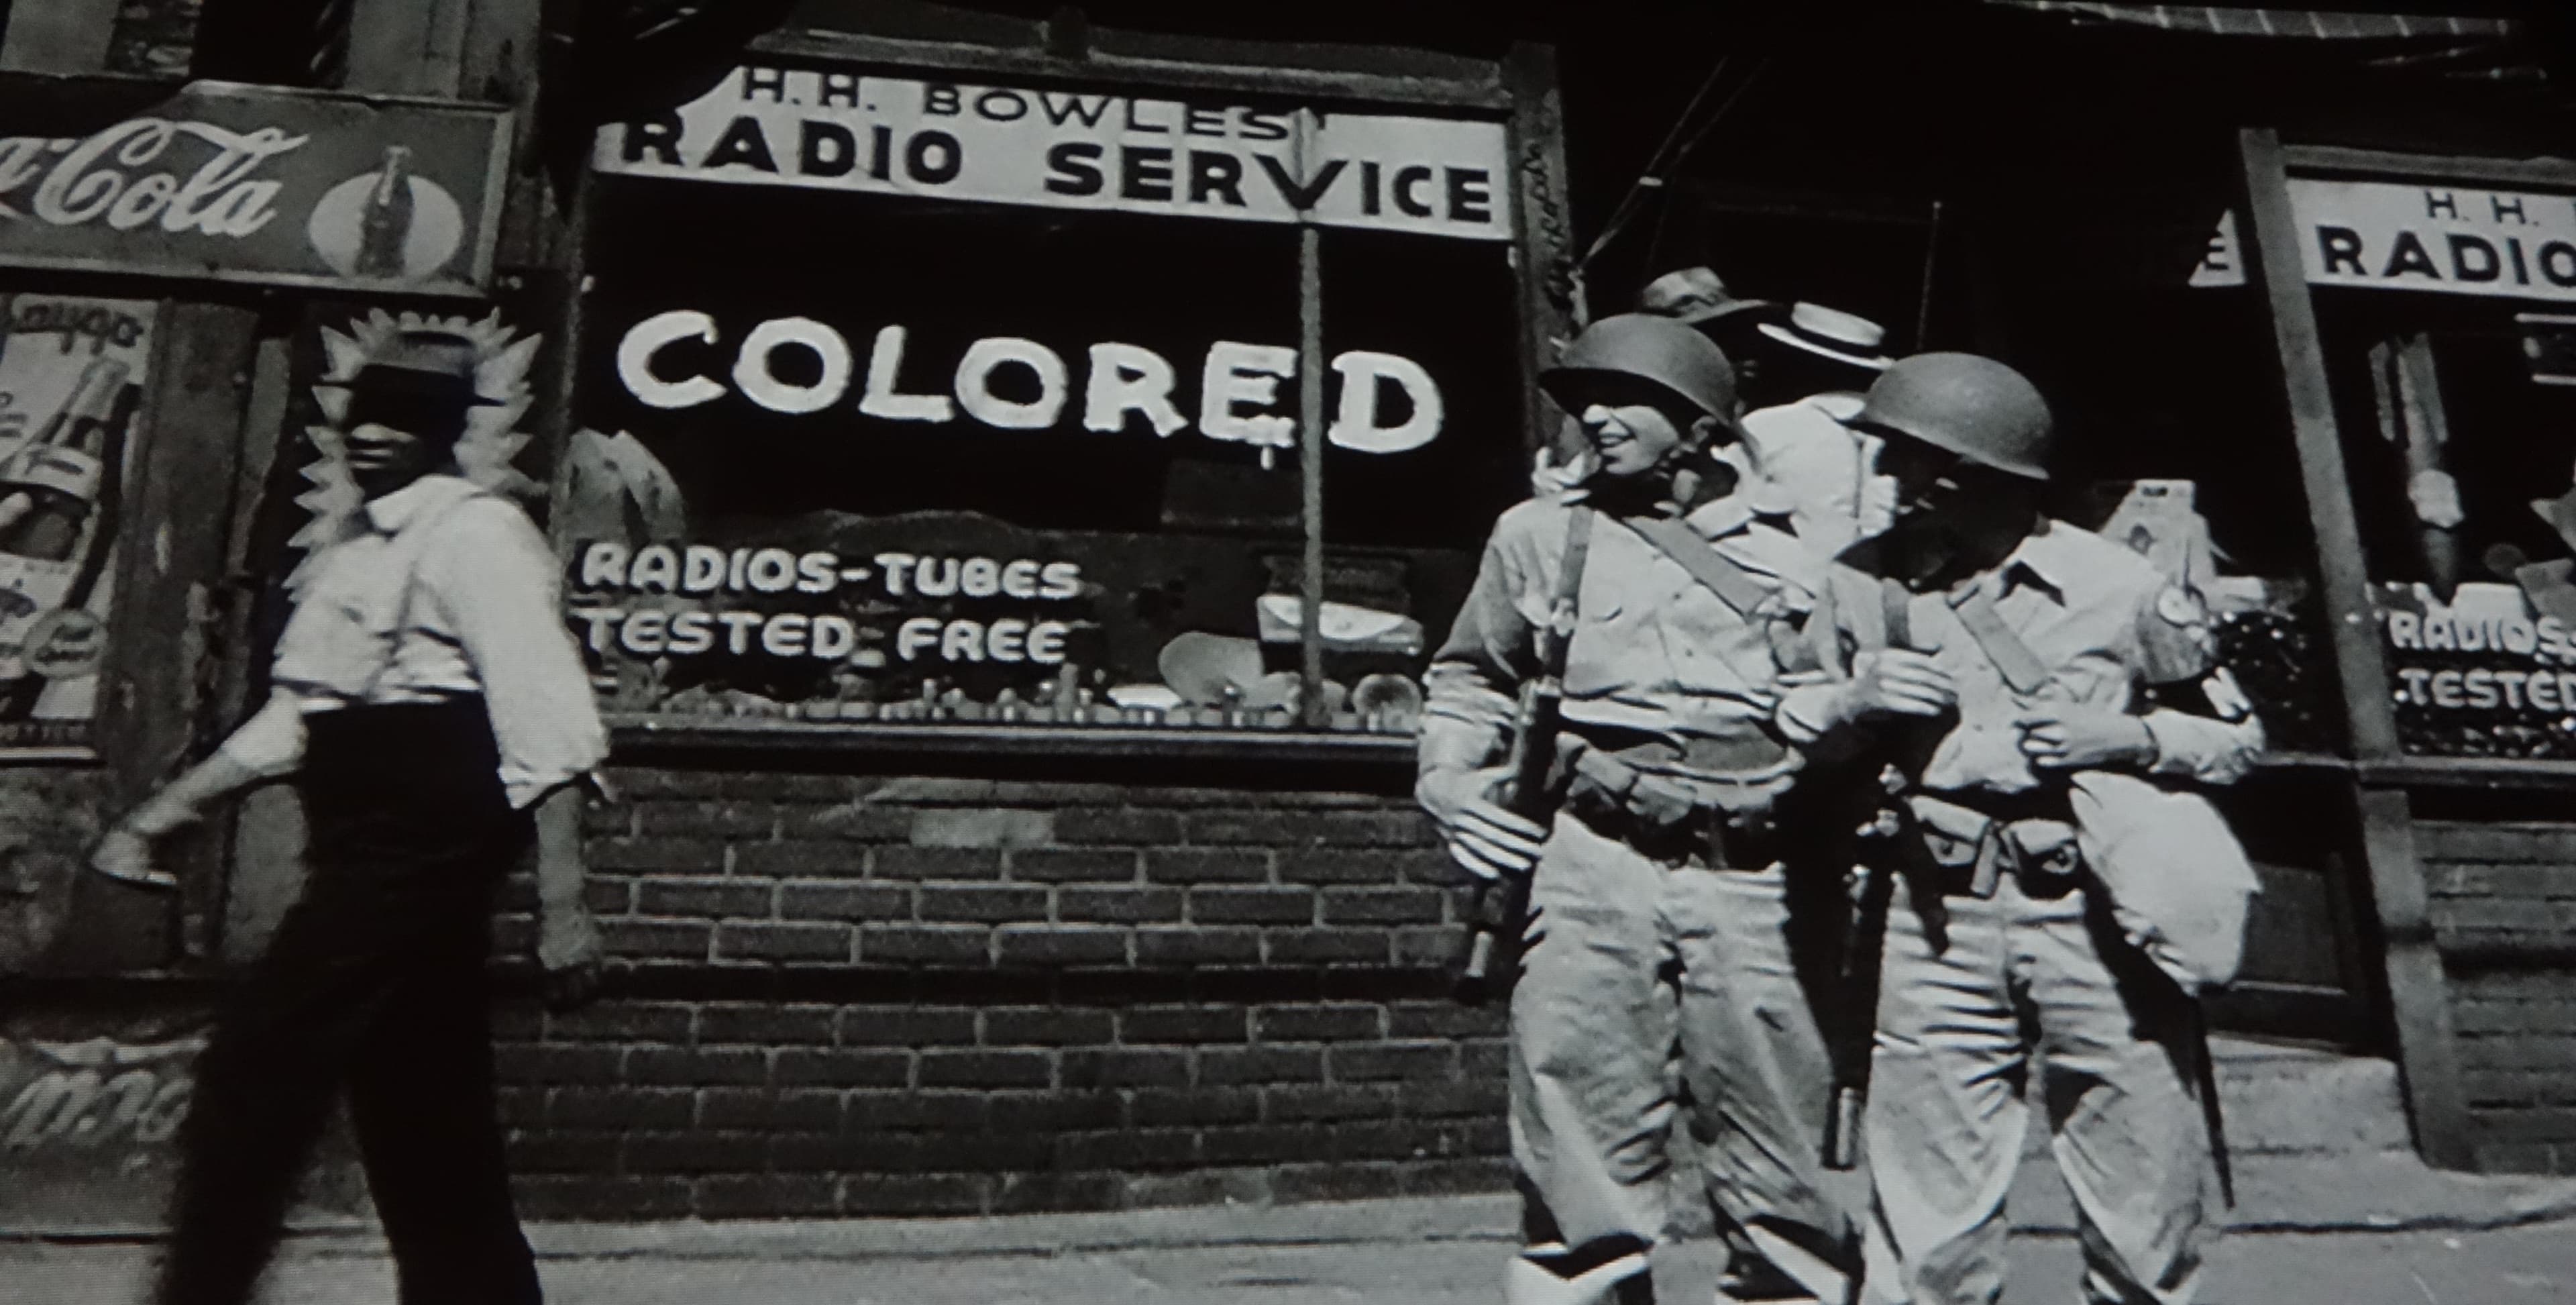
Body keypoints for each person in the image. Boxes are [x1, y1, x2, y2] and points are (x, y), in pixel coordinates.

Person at [87, 329, 610, 1305]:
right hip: (362, 826)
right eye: (363, 412)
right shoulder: (358, 546)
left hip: (427, 826)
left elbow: (548, 724)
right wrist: (160, 816)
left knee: (259, 1060)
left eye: (405, 418)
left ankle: (200, 1292)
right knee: (421, 1093)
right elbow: (301, 716)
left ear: (446, 431)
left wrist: (564, 904)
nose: (373, 434)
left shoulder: (479, 536)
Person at [1775, 353, 2261, 1305]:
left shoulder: (2120, 584)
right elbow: (1800, 733)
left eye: (1907, 455)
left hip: (2099, 918)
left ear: (1969, 470)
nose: (1889, 475)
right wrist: (1851, 704)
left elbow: (2238, 739)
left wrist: (2129, 736)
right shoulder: (1860, 583)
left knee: (2142, 1203)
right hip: (1933, 917)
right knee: (1929, 1223)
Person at [1420, 313, 1856, 1305]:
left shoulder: (1813, 553)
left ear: (1701, 424)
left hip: (1762, 875)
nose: (1598, 419)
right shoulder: (1540, 535)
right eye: (1585, 403)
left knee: (1786, 1166)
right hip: (1593, 862)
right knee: (1576, 1153)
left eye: (1627, 401)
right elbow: (1471, 677)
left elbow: (1862, 712)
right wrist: (1447, 781)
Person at [1640, 268, 1900, 555]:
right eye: (1719, 340)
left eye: (1741, 337)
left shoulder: (1771, 422)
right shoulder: (1878, 432)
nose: (1745, 353)